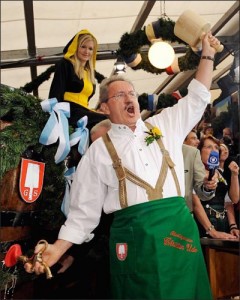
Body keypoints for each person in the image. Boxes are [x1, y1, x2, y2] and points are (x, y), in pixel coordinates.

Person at [25, 32, 221, 300]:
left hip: (180, 239)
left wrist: (208, 53)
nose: (130, 98)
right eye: (120, 96)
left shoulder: (165, 125)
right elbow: (83, 214)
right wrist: (57, 249)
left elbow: (197, 96)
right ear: (105, 107)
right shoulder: (97, 153)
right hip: (134, 241)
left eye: (132, 93)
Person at [49, 29, 106, 131]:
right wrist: (56, 118)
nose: (86, 51)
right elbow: (55, 93)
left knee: (108, 119)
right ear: (76, 47)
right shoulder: (65, 64)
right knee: (105, 120)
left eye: (90, 48)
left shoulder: (89, 73)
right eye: (83, 47)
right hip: (68, 111)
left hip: (82, 112)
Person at [193, 136, 239, 238]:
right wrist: (212, 231)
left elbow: (233, 200)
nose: (214, 150)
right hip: (204, 225)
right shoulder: (195, 172)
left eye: (216, 148)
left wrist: (233, 226)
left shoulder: (220, 172)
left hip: (223, 223)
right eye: (209, 147)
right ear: (199, 152)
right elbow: (195, 202)